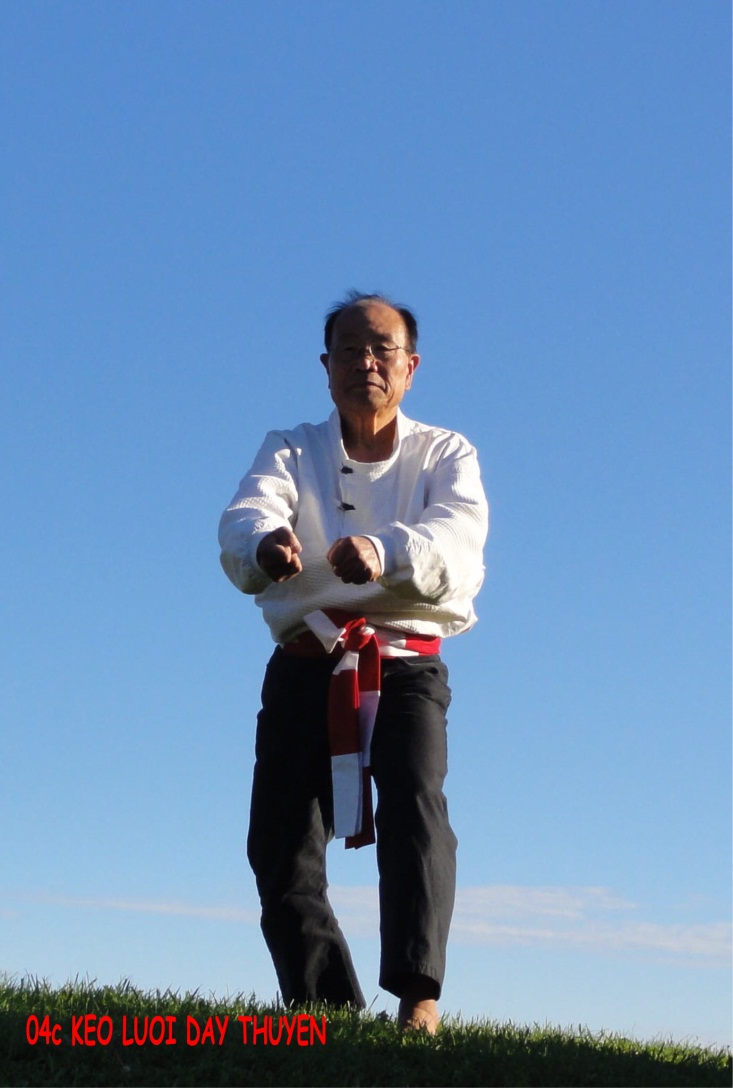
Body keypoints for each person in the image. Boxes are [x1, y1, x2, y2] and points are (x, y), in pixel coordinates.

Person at [218, 290, 488, 1033]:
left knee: (415, 809)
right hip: (305, 656)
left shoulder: (445, 453)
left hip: (402, 661)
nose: (366, 362)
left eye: (382, 349)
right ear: (325, 364)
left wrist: (382, 549)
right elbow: (246, 514)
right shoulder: (290, 447)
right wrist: (264, 544)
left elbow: (456, 542)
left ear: (410, 366)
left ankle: (417, 998)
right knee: (278, 838)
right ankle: (324, 1009)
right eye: (349, 350)